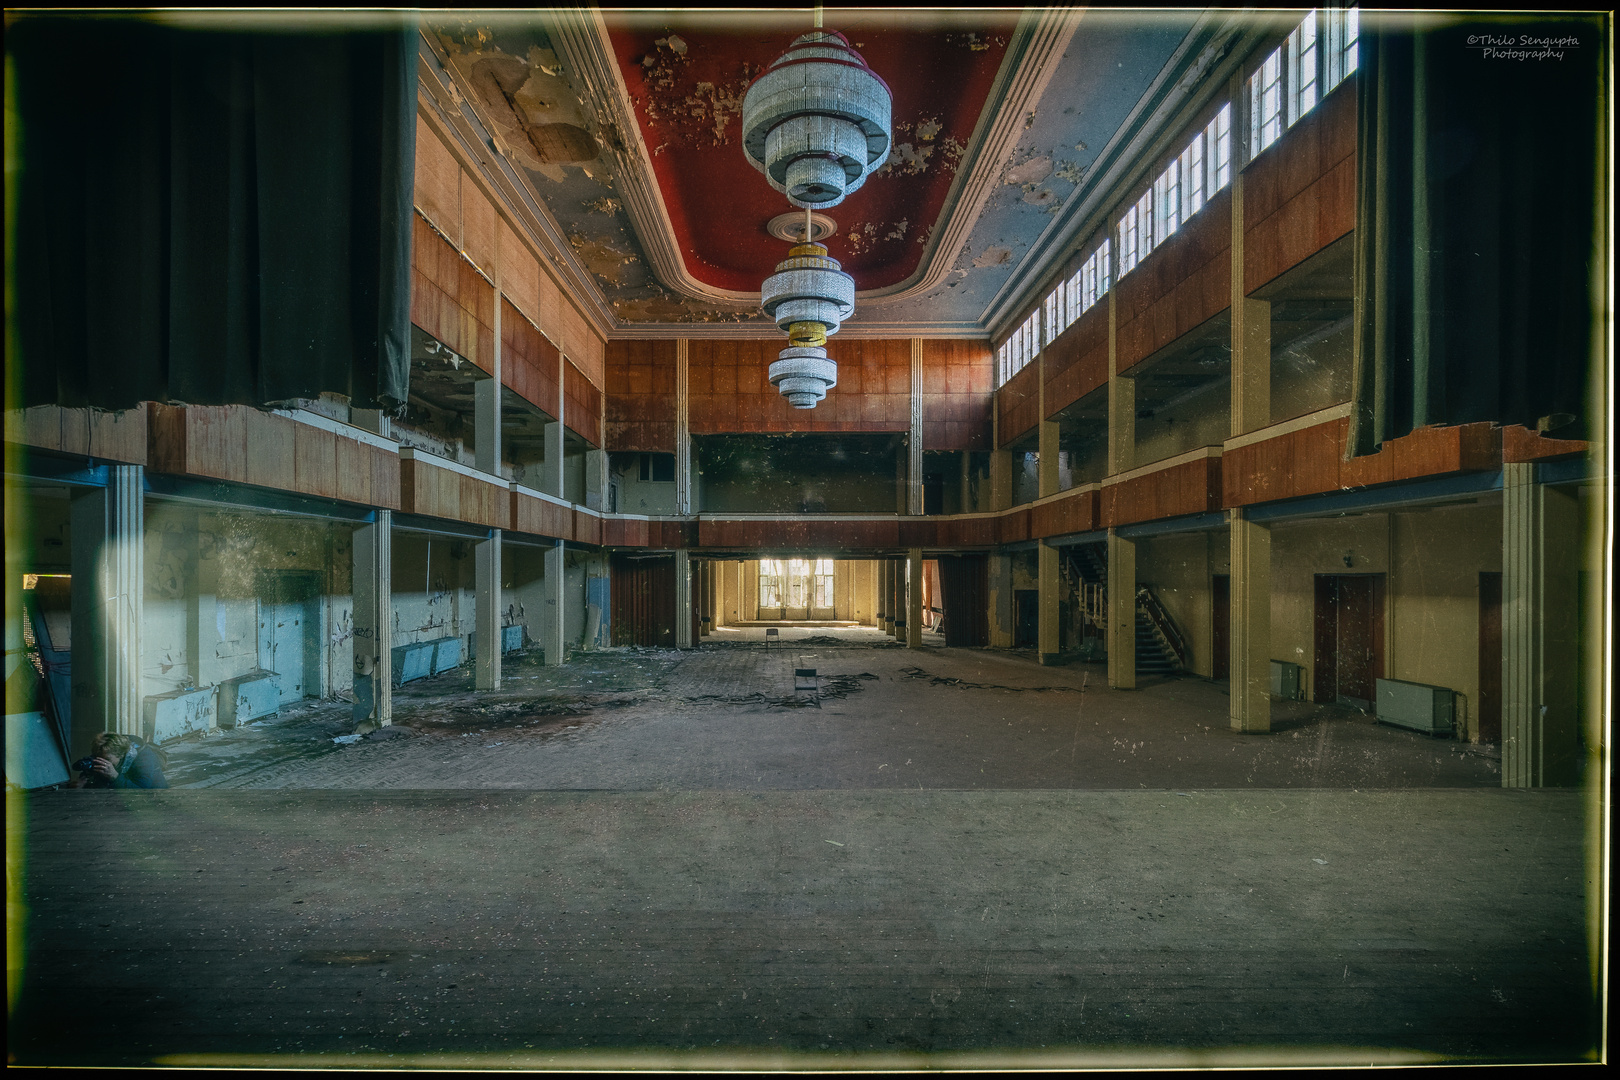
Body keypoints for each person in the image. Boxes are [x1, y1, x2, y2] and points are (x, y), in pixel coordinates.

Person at [72, 732, 168, 789]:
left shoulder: (143, 758)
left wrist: (115, 777)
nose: (102, 762)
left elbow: (143, 790)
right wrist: (83, 782)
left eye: (107, 759)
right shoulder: (105, 752)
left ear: (121, 754)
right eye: (97, 758)